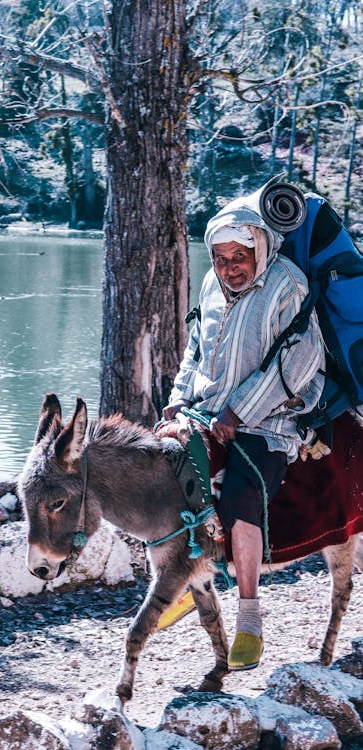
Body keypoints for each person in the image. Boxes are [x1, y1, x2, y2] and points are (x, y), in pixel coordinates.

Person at [162, 202, 325, 671]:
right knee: (169, 474)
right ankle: (190, 583)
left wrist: (240, 410)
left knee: (240, 497)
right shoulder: (213, 283)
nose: (229, 268)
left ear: (259, 248)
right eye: (220, 259)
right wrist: (177, 399)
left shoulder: (287, 285)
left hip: (269, 419)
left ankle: (249, 616)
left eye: (239, 258)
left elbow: (299, 360)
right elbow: (194, 350)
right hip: (207, 411)